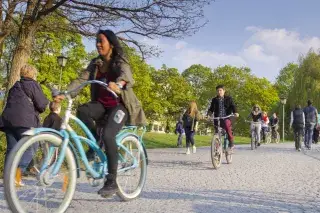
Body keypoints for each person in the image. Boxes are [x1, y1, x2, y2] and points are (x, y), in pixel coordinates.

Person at [54, 29, 146, 198]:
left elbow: (127, 76)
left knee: (110, 135)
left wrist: (119, 84)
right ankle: (95, 144)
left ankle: (111, 181)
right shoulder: (95, 63)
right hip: (102, 105)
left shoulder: (120, 61)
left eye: (101, 41)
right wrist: (65, 93)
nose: (97, 44)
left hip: (120, 106)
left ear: (110, 44)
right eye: (96, 41)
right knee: (83, 110)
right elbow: (82, 80)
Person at [1, 64, 49, 186]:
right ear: (33, 74)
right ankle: (16, 176)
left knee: (12, 149)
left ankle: (7, 177)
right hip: (25, 122)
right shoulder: (33, 85)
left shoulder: (14, 86)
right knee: (31, 147)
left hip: (8, 122)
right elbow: (42, 104)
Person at [207, 85, 239, 150]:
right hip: (217, 118)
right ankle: (216, 148)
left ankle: (231, 141)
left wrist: (236, 112)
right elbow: (211, 109)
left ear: (224, 91)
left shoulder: (229, 98)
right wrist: (208, 115)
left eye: (220, 90)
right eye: (218, 91)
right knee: (216, 132)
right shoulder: (214, 100)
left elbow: (233, 106)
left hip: (227, 117)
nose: (219, 92)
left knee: (227, 126)